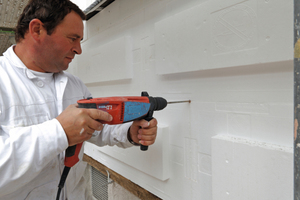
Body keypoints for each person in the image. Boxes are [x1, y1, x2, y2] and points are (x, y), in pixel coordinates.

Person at [0, 0, 158, 199]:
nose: (79, 49)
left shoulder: (74, 85)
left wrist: (129, 133)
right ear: (37, 29)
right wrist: (59, 132)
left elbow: (96, 128)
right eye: (73, 38)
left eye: (80, 40)